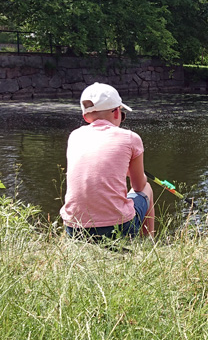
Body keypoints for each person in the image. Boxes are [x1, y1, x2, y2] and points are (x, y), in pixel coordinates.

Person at [60, 82, 155, 240]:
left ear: (86, 116)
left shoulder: (74, 136)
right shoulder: (131, 138)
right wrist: (138, 175)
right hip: (117, 228)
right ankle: (148, 245)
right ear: (117, 112)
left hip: (74, 229)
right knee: (148, 189)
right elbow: (138, 186)